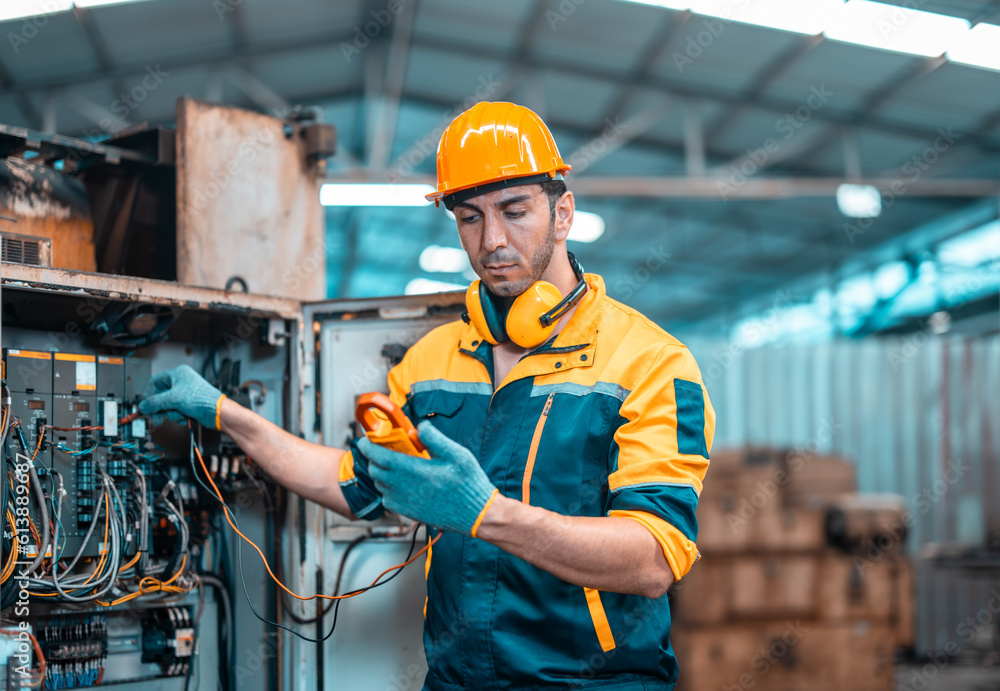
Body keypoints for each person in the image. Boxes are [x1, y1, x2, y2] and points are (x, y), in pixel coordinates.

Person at [140, 101, 715, 690]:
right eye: (469, 217)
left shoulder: (650, 362)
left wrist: (486, 516)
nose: (492, 240)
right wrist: (226, 414)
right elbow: (354, 484)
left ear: (562, 213)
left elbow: (652, 559)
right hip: (455, 681)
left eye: (514, 211)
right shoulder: (431, 362)